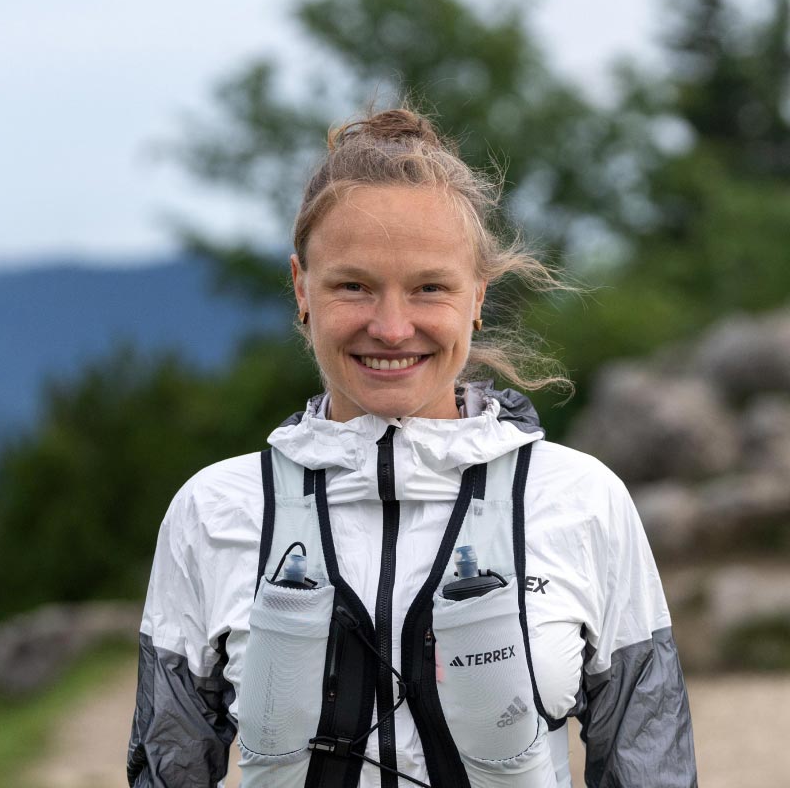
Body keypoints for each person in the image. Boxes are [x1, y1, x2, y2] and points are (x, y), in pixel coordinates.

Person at [127, 107, 697, 788]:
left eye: (429, 287)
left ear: (478, 295)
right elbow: (166, 770)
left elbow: (650, 761)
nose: (392, 328)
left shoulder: (581, 500)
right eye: (353, 286)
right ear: (301, 288)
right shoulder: (212, 511)